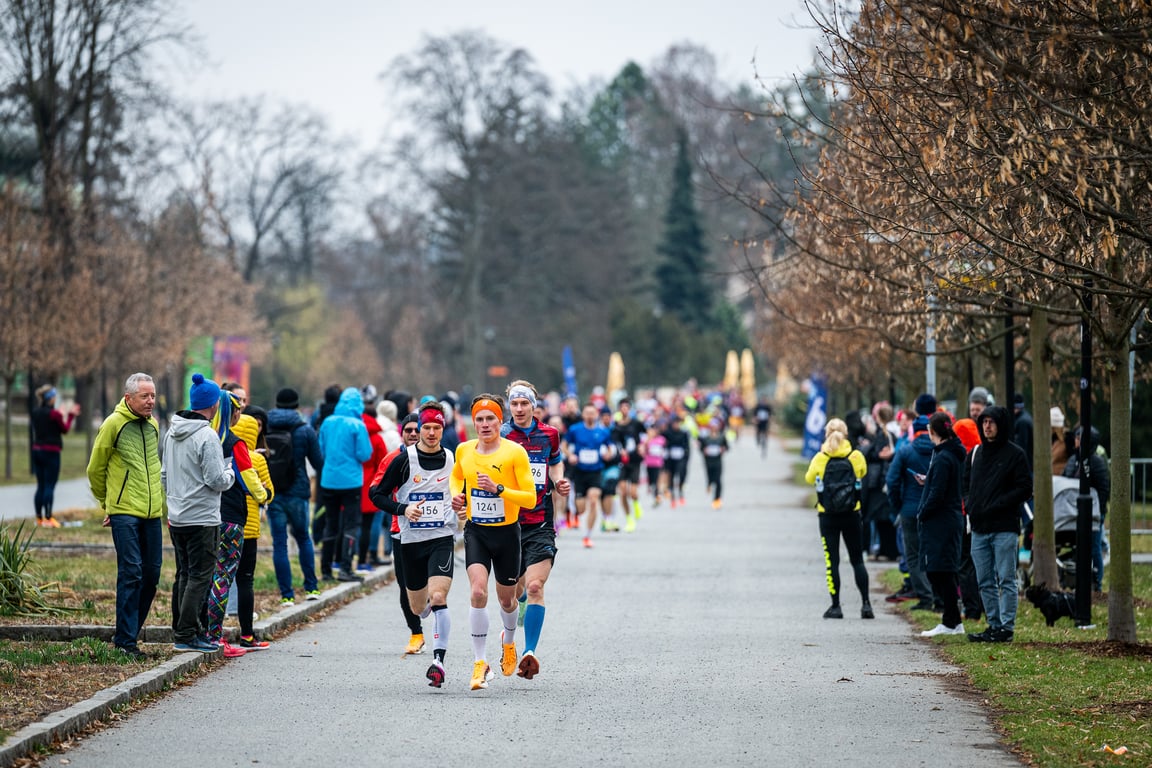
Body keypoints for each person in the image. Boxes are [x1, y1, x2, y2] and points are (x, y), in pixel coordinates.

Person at [450, 394, 536, 691]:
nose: (485, 424)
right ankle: (479, 662)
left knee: (507, 600)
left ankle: (509, 642)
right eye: (479, 419)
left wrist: (499, 488)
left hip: (507, 534)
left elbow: (530, 497)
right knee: (477, 592)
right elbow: (456, 476)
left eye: (490, 419)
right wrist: (456, 496)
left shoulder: (514, 453)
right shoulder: (464, 450)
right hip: (477, 531)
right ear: (473, 423)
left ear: (501, 422)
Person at [370, 402, 458, 687]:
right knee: (419, 606)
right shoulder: (404, 460)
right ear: (419, 430)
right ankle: (424, 618)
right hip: (410, 542)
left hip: (442, 538)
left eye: (437, 428)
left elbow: (462, 491)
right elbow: (377, 494)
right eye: (427, 428)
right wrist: (402, 509)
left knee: (439, 597)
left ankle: (438, 661)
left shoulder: (451, 459)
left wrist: (462, 505)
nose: (432, 433)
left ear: (443, 429)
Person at [86, 373, 164, 659]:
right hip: (124, 513)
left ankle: (129, 631)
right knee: (131, 572)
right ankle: (125, 642)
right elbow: (95, 468)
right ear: (129, 398)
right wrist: (108, 503)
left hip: (152, 512)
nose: (151, 401)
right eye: (145, 396)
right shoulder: (113, 424)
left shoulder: (154, 426)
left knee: (152, 574)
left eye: (153, 395)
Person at [502, 380, 570, 680]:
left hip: (540, 521)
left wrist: (559, 481)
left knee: (534, 587)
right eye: (514, 404)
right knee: (511, 595)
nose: (519, 409)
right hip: (507, 524)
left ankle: (529, 651)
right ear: (509, 406)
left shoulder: (549, 435)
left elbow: (555, 462)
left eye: (524, 403)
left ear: (534, 406)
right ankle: (511, 637)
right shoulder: (501, 435)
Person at [162, 373, 235, 654]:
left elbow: (165, 473)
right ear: (214, 404)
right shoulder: (207, 436)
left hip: (177, 515)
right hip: (203, 517)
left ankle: (180, 628)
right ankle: (188, 634)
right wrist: (230, 473)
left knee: (183, 573)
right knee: (200, 576)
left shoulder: (171, 433)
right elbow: (216, 479)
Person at [205, 395, 269, 658]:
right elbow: (249, 478)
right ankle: (215, 636)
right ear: (232, 414)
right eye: (238, 410)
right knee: (223, 577)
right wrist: (262, 494)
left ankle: (196, 632)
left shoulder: (202, 438)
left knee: (199, 575)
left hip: (201, 515)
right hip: (230, 517)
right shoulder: (234, 443)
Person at [964, 405, 1032, 643]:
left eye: (992, 422)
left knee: (1006, 578)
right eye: (984, 422)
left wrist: (1001, 503)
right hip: (979, 528)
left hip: (1004, 527)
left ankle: (1006, 627)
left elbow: (1025, 487)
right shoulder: (975, 454)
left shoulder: (1015, 455)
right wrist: (970, 505)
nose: (987, 426)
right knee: (984, 580)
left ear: (1001, 425)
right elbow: (965, 484)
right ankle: (993, 624)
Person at [804, 418, 873, 620]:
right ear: (845, 433)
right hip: (852, 513)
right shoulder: (856, 455)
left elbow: (809, 478)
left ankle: (836, 606)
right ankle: (866, 605)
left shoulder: (820, 457)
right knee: (857, 560)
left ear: (827, 434)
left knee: (831, 561)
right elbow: (863, 472)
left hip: (828, 516)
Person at [266, 387, 324, 605]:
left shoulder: (266, 426)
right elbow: (318, 463)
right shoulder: (305, 430)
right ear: (297, 405)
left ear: (277, 404)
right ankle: (311, 587)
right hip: (298, 492)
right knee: (303, 538)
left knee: (279, 543)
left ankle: (287, 595)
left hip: (274, 492)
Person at [917, 413, 967, 637]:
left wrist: (923, 511)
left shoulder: (944, 457)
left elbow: (939, 493)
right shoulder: (949, 455)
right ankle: (952, 619)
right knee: (942, 570)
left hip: (942, 520)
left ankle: (951, 621)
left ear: (932, 432)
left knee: (941, 571)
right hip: (948, 518)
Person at [317, 387, 373, 581]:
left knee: (331, 524)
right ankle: (345, 568)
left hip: (329, 479)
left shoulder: (327, 422)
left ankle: (325, 570)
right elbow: (364, 454)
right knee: (351, 524)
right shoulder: (358, 425)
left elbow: (321, 450)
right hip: (351, 481)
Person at [885, 414, 935, 609]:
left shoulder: (906, 452)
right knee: (932, 553)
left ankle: (925, 597)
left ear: (914, 430)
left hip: (910, 510)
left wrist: (898, 505)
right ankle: (937, 595)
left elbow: (892, 480)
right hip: (933, 510)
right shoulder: (938, 451)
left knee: (913, 555)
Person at [233, 411, 273, 650]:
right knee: (246, 580)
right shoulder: (257, 461)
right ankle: (247, 634)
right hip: (249, 529)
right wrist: (262, 495)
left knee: (218, 580)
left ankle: (211, 632)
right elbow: (270, 493)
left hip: (224, 525)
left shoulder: (225, 454)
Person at [1062, 425, 1110, 591]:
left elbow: (1103, 489)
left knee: (1094, 547)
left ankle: (1097, 582)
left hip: (1093, 514)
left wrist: (1100, 512)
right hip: (1072, 513)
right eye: (1076, 437)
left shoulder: (1096, 462)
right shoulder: (1072, 460)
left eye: (1080, 437)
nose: (1076, 440)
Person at [562, 402, 615, 548]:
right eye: (587, 413)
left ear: (596, 415)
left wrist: (609, 454)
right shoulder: (575, 429)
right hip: (579, 472)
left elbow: (611, 447)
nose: (590, 416)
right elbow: (563, 445)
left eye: (593, 413)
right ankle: (576, 515)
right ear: (583, 415)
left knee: (593, 499)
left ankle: (588, 536)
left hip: (596, 472)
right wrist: (570, 455)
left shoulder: (603, 431)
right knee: (581, 509)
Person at [31, 384, 81, 527]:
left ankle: (39, 519)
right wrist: (71, 415)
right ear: (51, 398)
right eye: (54, 397)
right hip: (51, 452)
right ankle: (49, 517)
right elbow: (64, 429)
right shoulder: (55, 414)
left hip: (37, 450)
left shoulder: (35, 412)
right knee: (49, 485)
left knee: (40, 485)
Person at [357, 385, 390, 572]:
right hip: (371, 484)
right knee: (371, 524)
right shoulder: (377, 438)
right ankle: (367, 558)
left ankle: (352, 556)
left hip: (354, 482)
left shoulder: (355, 432)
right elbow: (382, 462)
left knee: (354, 524)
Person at [611, 398, 646, 531]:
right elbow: (614, 442)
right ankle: (629, 519)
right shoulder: (616, 425)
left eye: (627, 407)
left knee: (633, 492)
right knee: (623, 492)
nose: (624, 409)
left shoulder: (636, 423)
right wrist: (620, 451)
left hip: (635, 461)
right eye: (622, 407)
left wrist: (643, 446)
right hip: (622, 462)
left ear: (630, 409)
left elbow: (647, 433)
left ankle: (636, 504)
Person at [698, 419, 728, 509]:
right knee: (710, 477)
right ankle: (709, 485)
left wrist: (723, 449)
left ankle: (717, 499)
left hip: (718, 461)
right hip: (708, 461)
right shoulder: (706, 438)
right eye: (712, 426)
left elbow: (727, 447)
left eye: (716, 426)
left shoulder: (722, 437)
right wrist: (704, 451)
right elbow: (701, 448)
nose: (714, 428)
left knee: (718, 480)